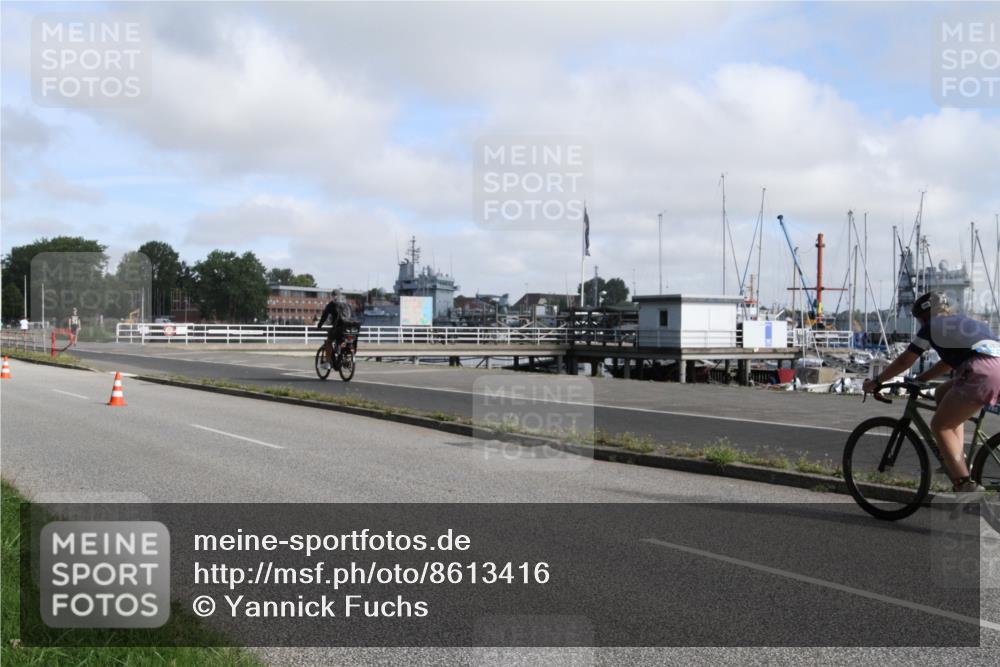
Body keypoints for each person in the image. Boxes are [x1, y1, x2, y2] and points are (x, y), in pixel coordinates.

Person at [863, 292, 1000, 493]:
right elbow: (947, 363)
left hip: (981, 372)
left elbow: (905, 360)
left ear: (925, 315)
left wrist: (877, 381)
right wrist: (921, 379)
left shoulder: (932, 326)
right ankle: (956, 457)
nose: (920, 324)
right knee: (942, 393)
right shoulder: (964, 323)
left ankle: (964, 484)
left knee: (940, 425)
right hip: (994, 366)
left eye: (919, 320)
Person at [317, 291, 352, 370]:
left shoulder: (331, 304)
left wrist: (319, 325)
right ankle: (345, 357)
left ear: (332, 296)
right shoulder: (347, 304)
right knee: (343, 341)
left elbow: (324, 316)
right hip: (348, 328)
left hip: (338, 328)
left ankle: (328, 362)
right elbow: (351, 315)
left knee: (328, 342)